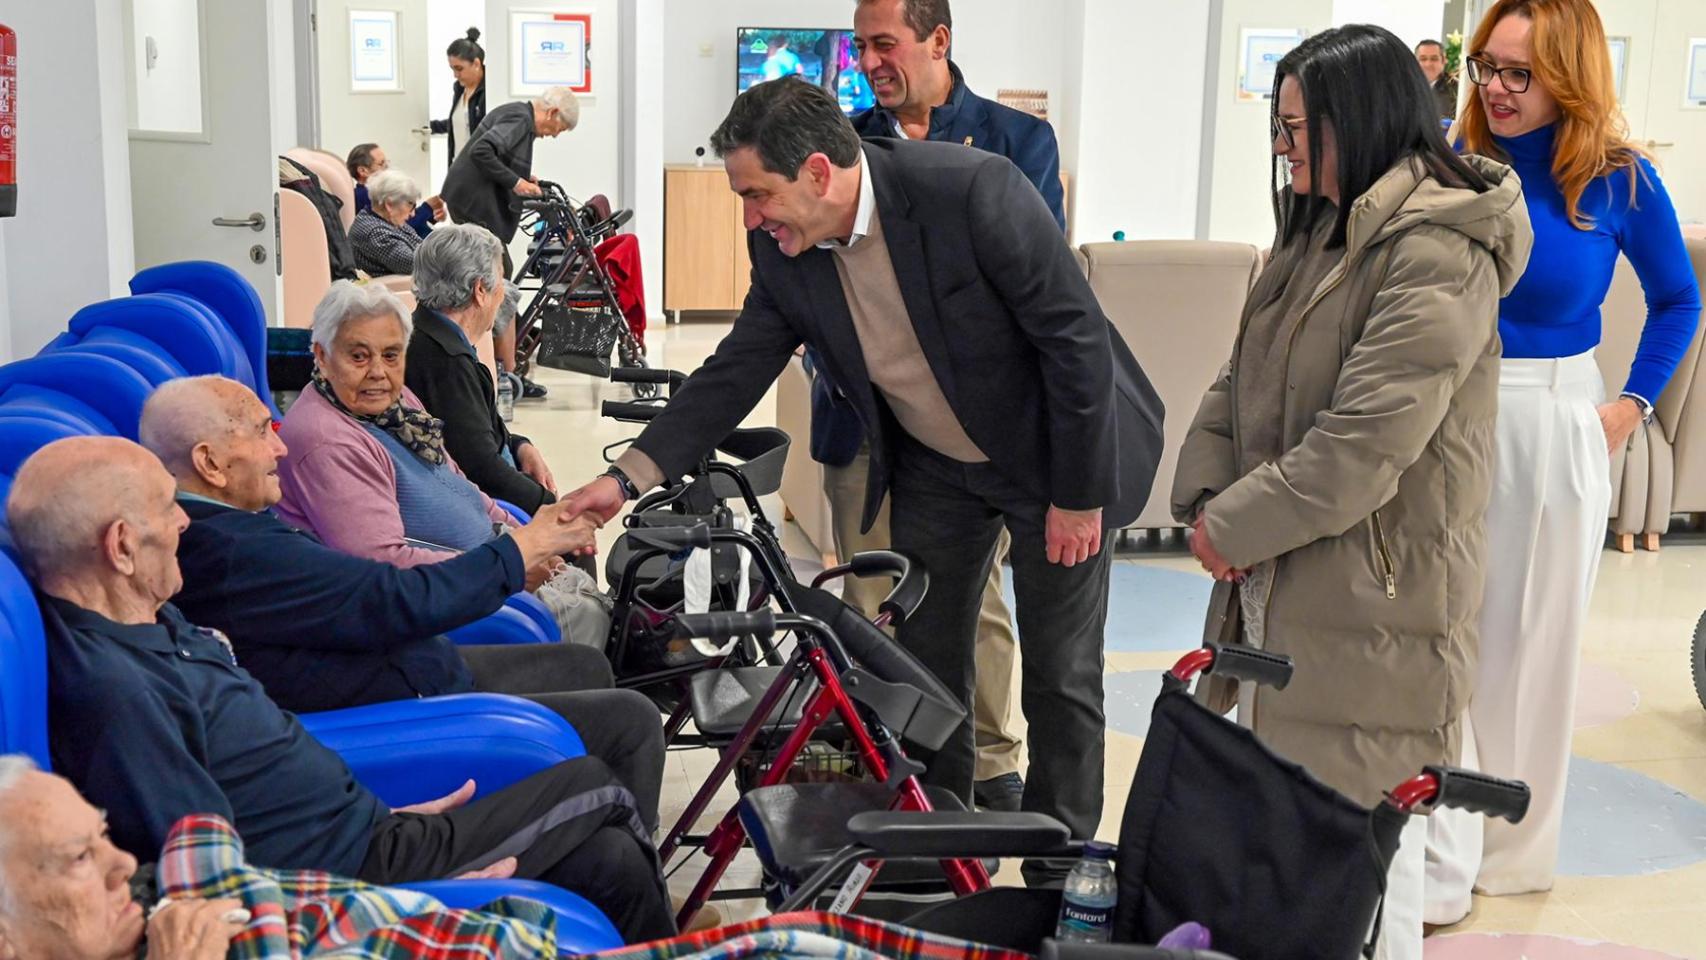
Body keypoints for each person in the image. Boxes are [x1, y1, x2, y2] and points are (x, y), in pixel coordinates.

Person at [561, 77, 1164, 884]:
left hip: (1053, 461)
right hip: (937, 465)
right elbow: (736, 368)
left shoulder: (972, 192)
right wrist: (629, 478)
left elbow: (1076, 341)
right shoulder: (783, 247)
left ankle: (1058, 866)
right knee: (925, 660)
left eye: (756, 193)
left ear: (818, 172)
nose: (749, 216)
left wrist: (1079, 496)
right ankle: (940, 844)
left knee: (1062, 670)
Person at [6, 436, 676, 943]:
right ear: (121, 546)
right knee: (598, 780)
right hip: (357, 872)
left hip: (372, 825)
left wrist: (381, 809)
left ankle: (668, 933)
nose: (185, 521)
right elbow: (210, 876)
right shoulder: (120, 696)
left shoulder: (146, 615)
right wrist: (395, 898)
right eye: (166, 508)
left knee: (608, 856)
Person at [1171, 25, 1530, 960]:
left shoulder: (1438, 250)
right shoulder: (1318, 229)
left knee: (1367, 877)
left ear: (1357, 120)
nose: (1285, 151)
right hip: (1284, 586)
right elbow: (1238, 373)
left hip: (1375, 602)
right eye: (1279, 130)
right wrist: (1206, 493)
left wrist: (1235, 525)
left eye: (1298, 130)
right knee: (1290, 854)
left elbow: (1365, 445)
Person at [1424, 0, 1704, 925]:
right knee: (1443, 641)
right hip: (1443, 414)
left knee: (1533, 647)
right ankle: (1439, 854)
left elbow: (1678, 301)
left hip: (1553, 420)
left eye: (1519, 74)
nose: (1495, 90)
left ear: (1569, 78)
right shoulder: (1453, 163)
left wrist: (1627, 408)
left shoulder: (1621, 182)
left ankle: (1511, 854)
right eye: (1486, 69)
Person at [140, 374, 665, 832]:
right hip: (390, 706)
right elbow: (388, 595)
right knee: (632, 723)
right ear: (208, 463)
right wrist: (520, 549)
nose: (279, 448)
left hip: (402, 662)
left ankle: (613, 847)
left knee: (582, 664)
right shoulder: (232, 551)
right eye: (260, 432)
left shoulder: (227, 527)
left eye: (392, 355)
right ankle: (622, 862)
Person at [808, 0, 1069, 812]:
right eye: (861, 48)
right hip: (861, 423)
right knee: (870, 598)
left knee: (972, 604)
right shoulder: (841, 146)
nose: (871, 62)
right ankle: (891, 761)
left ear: (939, 40)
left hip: (969, 432)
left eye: (884, 44)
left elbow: (1036, 289)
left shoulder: (1015, 142)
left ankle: (991, 762)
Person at [272, 281, 608, 646]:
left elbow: (458, 483)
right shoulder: (326, 442)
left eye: (391, 355)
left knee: (584, 579)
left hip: (482, 562)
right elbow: (382, 568)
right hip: (445, 594)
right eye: (358, 356)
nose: (378, 372)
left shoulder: (396, 402)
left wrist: (522, 535)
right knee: (587, 615)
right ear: (322, 356)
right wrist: (509, 563)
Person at [0, 757, 572, 959]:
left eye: (102, 837)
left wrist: (400, 901)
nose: (121, 863)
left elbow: (199, 835)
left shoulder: (155, 898)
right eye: (78, 857)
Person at [404, 224, 556, 513]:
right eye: (500, 280)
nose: (503, 293)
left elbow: (475, 433)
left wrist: (520, 445)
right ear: (480, 291)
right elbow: (482, 470)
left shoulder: (426, 334)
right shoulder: (446, 363)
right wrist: (550, 507)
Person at [440, 86, 580, 400]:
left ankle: (504, 354)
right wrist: (516, 182)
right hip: (473, 202)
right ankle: (506, 367)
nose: (554, 136)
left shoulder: (518, 118)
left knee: (500, 272)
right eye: (559, 129)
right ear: (553, 113)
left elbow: (496, 156)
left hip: (469, 199)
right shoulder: (519, 118)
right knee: (496, 277)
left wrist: (523, 177)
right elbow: (483, 151)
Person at [346, 143, 443, 239]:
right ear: (362, 171)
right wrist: (427, 208)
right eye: (381, 164)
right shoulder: (368, 195)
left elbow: (407, 220)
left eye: (387, 163)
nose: (387, 168)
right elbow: (401, 226)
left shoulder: (377, 192)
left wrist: (431, 216)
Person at [349, 169, 427, 277]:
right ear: (389, 204)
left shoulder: (387, 220)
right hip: (396, 289)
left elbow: (424, 247)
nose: (413, 214)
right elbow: (418, 265)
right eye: (410, 205)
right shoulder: (376, 233)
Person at [430, 28, 489, 168]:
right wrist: (430, 127)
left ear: (476, 64)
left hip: (478, 170)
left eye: (459, 68)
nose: (455, 75)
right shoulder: (459, 88)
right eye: (452, 69)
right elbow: (460, 122)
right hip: (457, 167)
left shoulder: (489, 92)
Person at [1415, 39, 1458, 121]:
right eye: (1423, 59)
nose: (1428, 64)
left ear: (1444, 61)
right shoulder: (1405, 88)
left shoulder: (1457, 90)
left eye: (1434, 59)